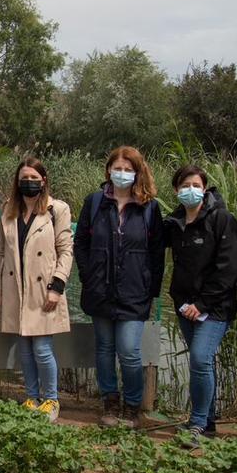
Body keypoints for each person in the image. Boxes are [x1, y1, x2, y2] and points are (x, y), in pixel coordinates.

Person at [74, 145, 165, 429]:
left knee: (128, 350)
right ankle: (109, 401)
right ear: (108, 170)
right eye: (118, 168)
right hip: (100, 289)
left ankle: (132, 405)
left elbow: (157, 253)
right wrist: (88, 275)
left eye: (128, 169)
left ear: (137, 173)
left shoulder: (150, 207)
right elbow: (81, 244)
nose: (122, 174)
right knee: (104, 348)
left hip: (135, 292)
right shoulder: (94, 202)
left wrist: (152, 291)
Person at [165, 164, 237, 447]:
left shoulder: (221, 219)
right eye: (185, 186)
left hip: (216, 307)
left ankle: (197, 423)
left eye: (196, 185)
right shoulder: (174, 223)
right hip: (185, 306)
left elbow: (228, 267)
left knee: (200, 358)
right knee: (202, 362)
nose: (190, 190)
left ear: (205, 188)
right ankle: (207, 419)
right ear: (176, 191)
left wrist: (203, 303)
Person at [0, 158, 73, 422]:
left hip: (44, 290)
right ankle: (32, 396)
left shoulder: (57, 209)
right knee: (24, 348)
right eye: (23, 177)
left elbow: (66, 250)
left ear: (44, 180)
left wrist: (57, 286)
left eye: (34, 177)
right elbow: (0, 252)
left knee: (42, 348)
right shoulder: (8, 210)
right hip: (15, 287)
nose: (28, 182)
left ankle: (51, 399)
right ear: (17, 181)